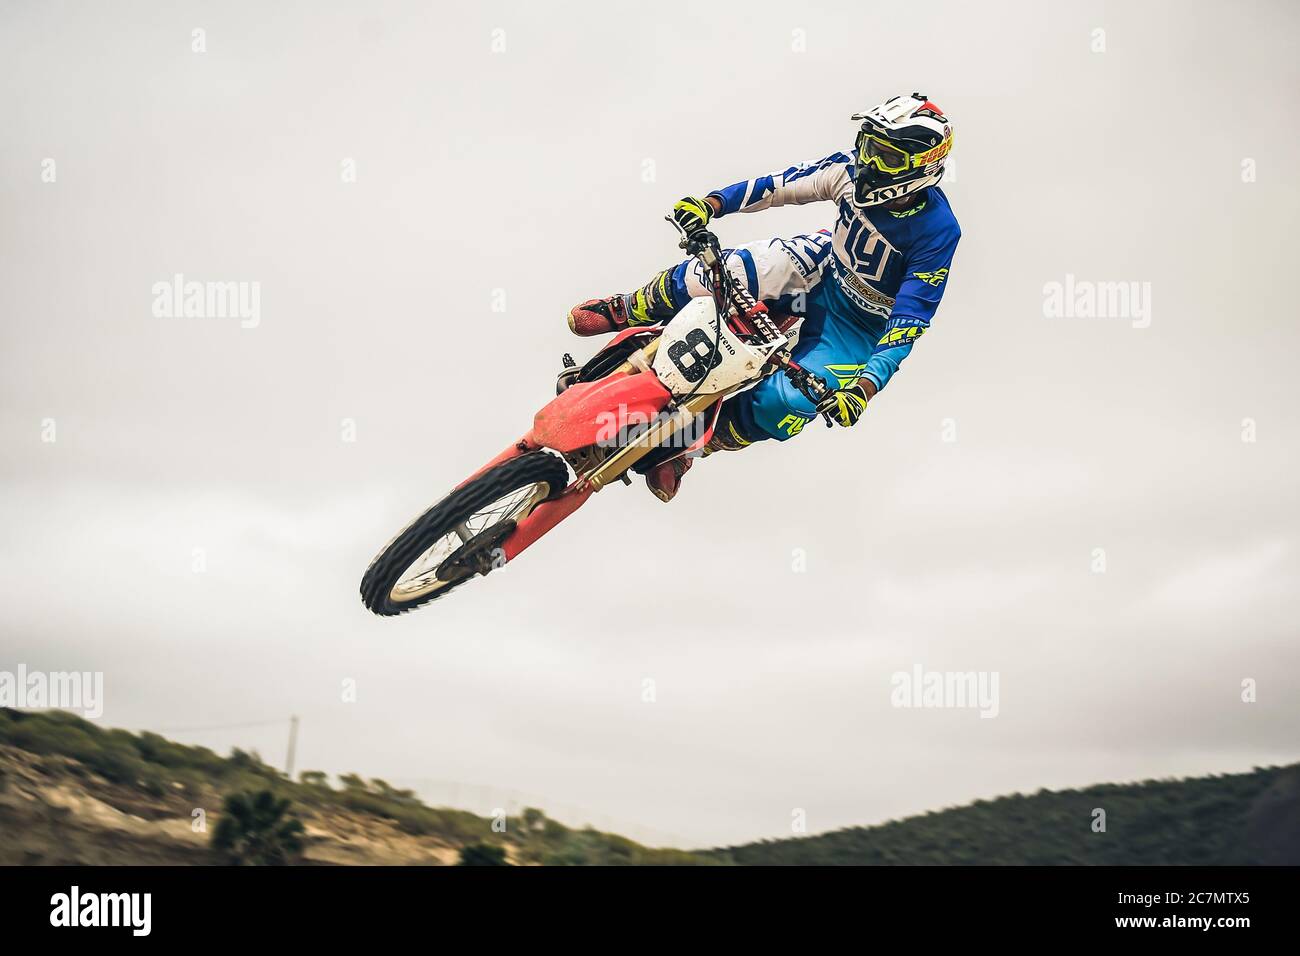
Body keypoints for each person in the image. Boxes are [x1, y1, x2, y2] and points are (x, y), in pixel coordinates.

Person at [568, 93, 960, 502]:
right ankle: (629, 307)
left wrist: (864, 388)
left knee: (788, 402)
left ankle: (695, 446)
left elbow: (909, 322)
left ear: (924, 168)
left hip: (858, 325)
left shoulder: (938, 232)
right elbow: (780, 186)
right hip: (822, 267)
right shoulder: (848, 168)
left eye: (887, 158)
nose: (870, 164)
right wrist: (710, 205)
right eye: (868, 146)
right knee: (729, 270)